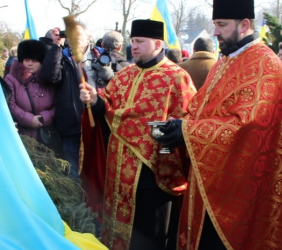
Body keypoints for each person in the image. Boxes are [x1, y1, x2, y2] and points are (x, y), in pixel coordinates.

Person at [155, 0, 282, 249]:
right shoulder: (224, 61)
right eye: (215, 24)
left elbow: (246, 126)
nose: (215, 31)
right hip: (210, 174)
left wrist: (187, 132)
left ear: (245, 24)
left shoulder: (265, 64)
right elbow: (199, 109)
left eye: (222, 25)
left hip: (239, 185)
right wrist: (180, 124)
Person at [79, 19, 197, 250]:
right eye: (132, 41)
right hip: (119, 170)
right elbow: (108, 109)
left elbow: (189, 120)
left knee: (151, 234)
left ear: (157, 43)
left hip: (155, 171)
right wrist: (94, 101)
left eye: (140, 42)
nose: (134, 46)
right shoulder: (123, 76)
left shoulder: (177, 77)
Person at [40, 22, 90, 179]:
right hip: (72, 125)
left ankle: (97, 203)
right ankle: (78, 202)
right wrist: (56, 46)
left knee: (96, 169)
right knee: (74, 172)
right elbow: (49, 76)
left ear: (88, 37)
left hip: (97, 126)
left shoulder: (99, 58)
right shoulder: (63, 57)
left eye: (79, 36)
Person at [5, 39, 55, 143]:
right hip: (21, 137)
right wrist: (28, 119)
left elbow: (58, 104)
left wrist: (43, 118)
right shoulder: (11, 79)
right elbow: (11, 103)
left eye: (35, 60)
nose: (30, 64)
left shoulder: (51, 80)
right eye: (27, 60)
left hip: (46, 137)